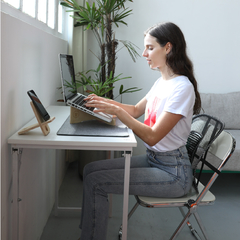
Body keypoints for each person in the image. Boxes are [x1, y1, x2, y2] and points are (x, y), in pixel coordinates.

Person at [79, 22, 201, 240]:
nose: (144, 53)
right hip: (155, 160)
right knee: (89, 170)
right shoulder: (162, 82)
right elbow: (135, 110)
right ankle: (88, 233)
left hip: (173, 173)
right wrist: (104, 101)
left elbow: (152, 135)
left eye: (150, 48)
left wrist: (117, 111)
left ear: (168, 48)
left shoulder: (182, 87)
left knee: (95, 182)